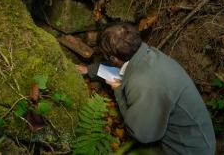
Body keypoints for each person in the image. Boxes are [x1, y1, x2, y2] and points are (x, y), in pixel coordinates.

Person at [76, 23, 216, 155]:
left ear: (114, 58)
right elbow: (120, 65)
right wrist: (89, 70)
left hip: (188, 149)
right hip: (195, 136)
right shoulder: (147, 54)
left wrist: (119, 92)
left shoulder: (143, 84)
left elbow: (142, 134)